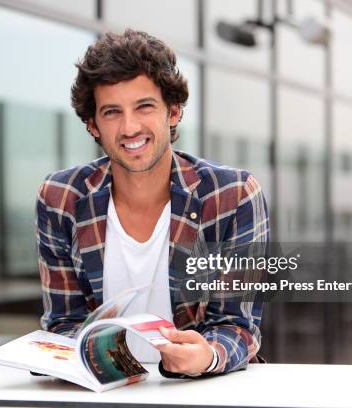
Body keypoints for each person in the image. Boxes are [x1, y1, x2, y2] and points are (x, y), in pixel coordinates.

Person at [36, 29, 269, 378]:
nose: (130, 127)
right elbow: (63, 322)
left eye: (144, 107)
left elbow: (239, 326)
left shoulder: (232, 195)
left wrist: (207, 355)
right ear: (92, 125)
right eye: (112, 112)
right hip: (102, 394)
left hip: (204, 392)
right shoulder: (61, 199)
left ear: (173, 112)